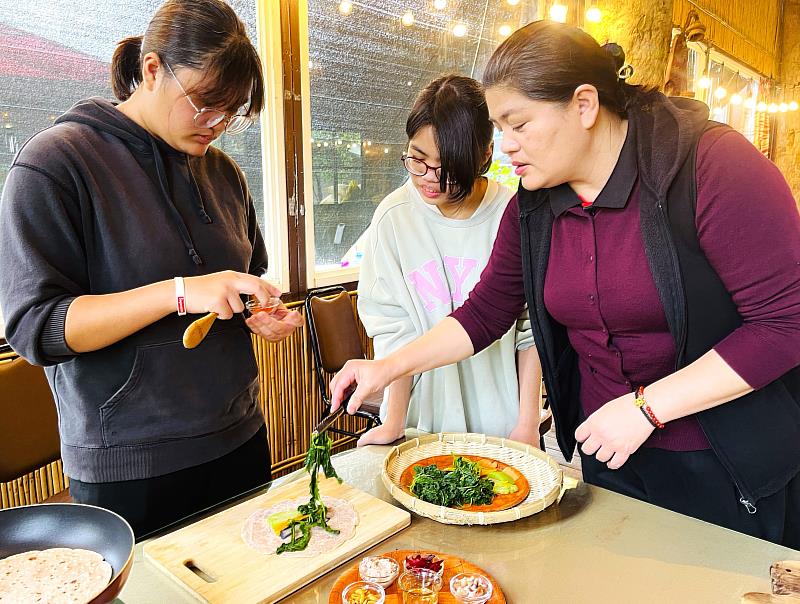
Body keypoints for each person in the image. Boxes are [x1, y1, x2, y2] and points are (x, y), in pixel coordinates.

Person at [330, 21, 800, 548]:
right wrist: (387, 366)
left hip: (725, 457)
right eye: (498, 128)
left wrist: (648, 407)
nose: (505, 146)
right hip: (606, 451)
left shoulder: (711, 165)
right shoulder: (534, 204)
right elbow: (486, 312)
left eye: (519, 124)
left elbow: (785, 325)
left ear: (583, 105)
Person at [0, 0, 303, 537]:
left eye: (231, 112)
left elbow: (243, 278)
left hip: (239, 435)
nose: (217, 124)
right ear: (152, 69)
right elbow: (37, 327)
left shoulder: (224, 173)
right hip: (129, 466)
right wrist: (180, 292)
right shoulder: (56, 163)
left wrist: (262, 315)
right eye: (205, 104)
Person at [356, 75, 541, 447]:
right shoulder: (394, 217)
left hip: (501, 422)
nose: (431, 180)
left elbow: (530, 331)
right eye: (418, 160)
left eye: (449, 167)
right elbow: (394, 330)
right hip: (422, 420)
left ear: (485, 154)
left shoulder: (514, 214)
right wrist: (393, 422)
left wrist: (528, 421)